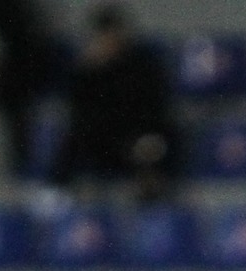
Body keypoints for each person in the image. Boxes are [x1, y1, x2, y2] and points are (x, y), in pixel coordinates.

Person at [56, 4, 180, 201]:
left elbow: (154, 108)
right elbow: (78, 110)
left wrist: (145, 137)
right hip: (104, 138)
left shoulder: (143, 66)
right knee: (73, 138)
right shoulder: (87, 71)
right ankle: (57, 191)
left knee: (154, 144)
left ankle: (151, 192)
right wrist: (89, 72)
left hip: (138, 135)